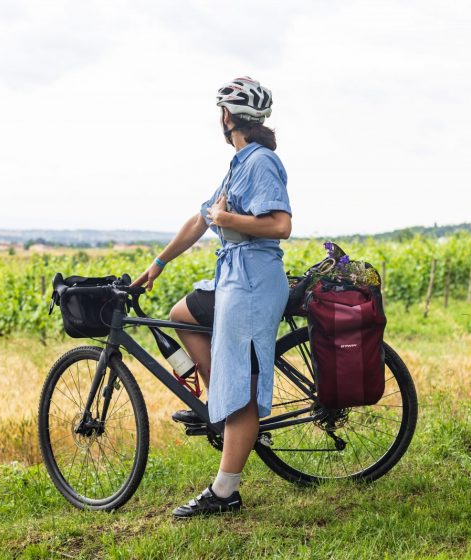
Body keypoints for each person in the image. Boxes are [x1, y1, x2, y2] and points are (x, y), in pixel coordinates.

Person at [132, 76, 292, 517]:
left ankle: (225, 492)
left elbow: (280, 225)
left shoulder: (261, 162)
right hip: (234, 279)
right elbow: (201, 220)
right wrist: (158, 264)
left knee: (241, 384)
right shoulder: (238, 163)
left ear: (227, 117)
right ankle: (219, 406)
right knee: (183, 313)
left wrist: (229, 215)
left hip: (254, 282)